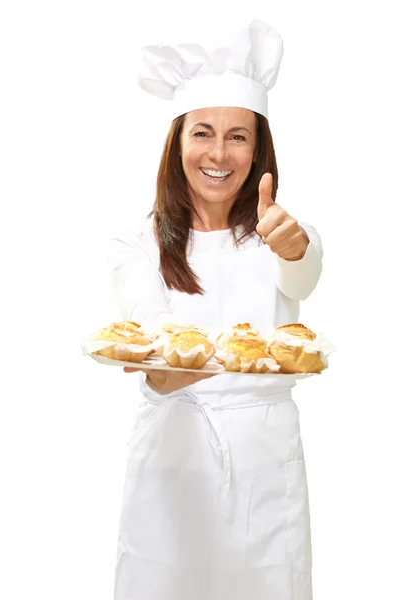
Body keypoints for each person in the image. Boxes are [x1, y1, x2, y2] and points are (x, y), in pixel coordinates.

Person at [109, 20, 324, 600]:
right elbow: (159, 358)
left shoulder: (284, 233)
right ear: (177, 143)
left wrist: (295, 245)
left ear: (259, 151)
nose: (219, 154)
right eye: (203, 133)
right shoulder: (141, 243)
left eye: (239, 137)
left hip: (264, 462)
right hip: (172, 460)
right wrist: (161, 363)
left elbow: (303, 270)